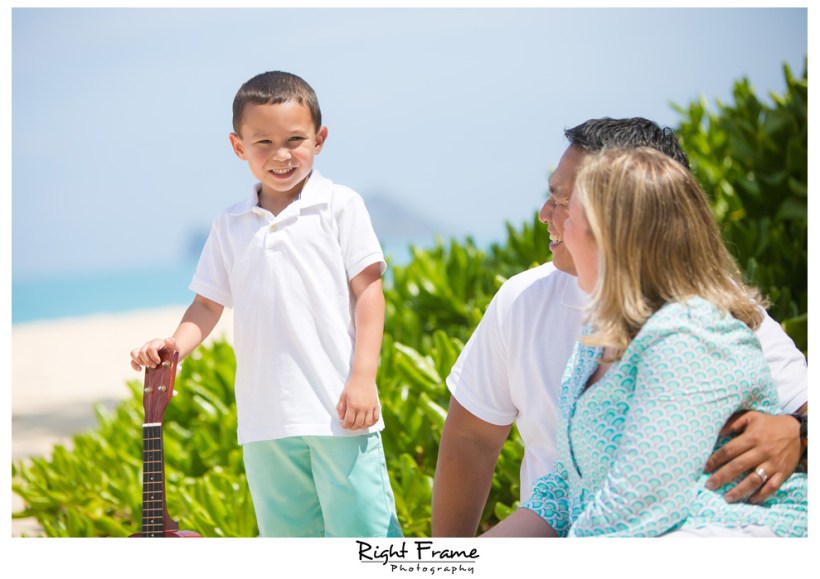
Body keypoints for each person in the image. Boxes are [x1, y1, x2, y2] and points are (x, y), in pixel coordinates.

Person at [432, 118, 807, 537]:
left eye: (568, 208)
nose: (548, 218)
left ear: (617, 232)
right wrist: (449, 561)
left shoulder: (698, 334)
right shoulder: (593, 336)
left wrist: (799, 432)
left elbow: (634, 510)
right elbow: (567, 484)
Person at [130, 71, 402, 538]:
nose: (281, 155)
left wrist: (363, 379)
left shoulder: (340, 205)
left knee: (366, 541)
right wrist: (174, 345)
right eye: (264, 142)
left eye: (295, 140)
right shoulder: (231, 223)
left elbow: (369, 292)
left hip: (340, 412)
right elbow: (207, 305)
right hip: (264, 422)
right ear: (238, 147)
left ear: (319, 139)